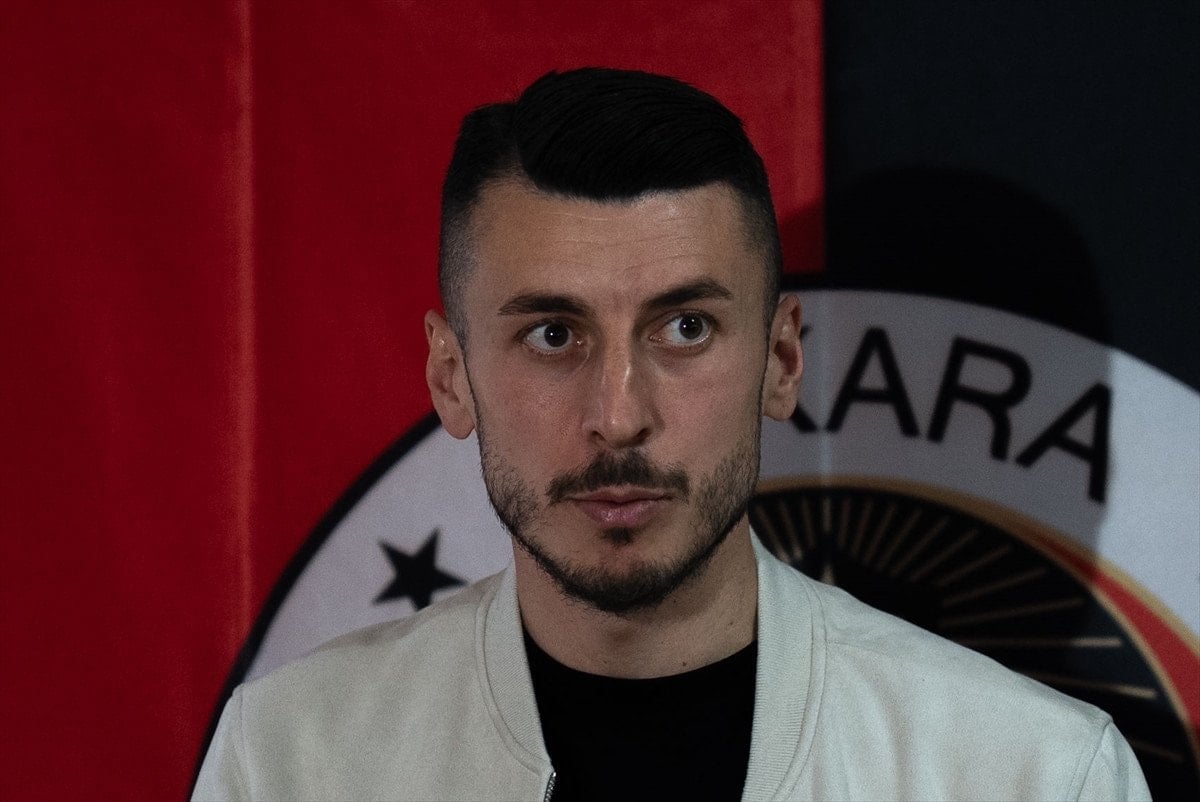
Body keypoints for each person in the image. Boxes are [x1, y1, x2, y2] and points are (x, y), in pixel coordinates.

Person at [193, 68, 1149, 801]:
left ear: (782, 360)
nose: (619, 415)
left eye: (685, 328)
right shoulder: (292, 762)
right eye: (553, 335)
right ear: (452, 378)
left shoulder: (1029, 774)